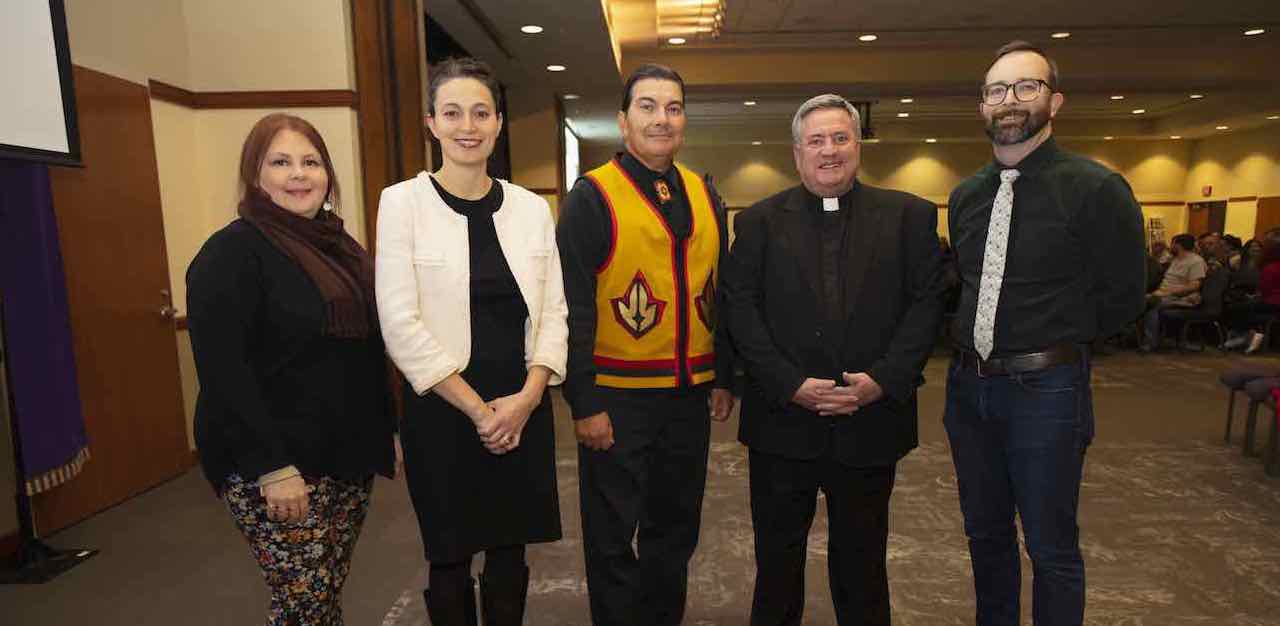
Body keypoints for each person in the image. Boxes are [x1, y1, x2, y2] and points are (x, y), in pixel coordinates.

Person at [722, 94, 945, 626]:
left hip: (869, 421)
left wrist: (883, 381)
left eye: (840, 138)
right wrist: (789, 383)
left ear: (858, 146)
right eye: (816, 141)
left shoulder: (909, 216)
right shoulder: (757, 222)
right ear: (796, 153)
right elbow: (740, 311)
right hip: (782, 423)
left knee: (864, 565)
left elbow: (927, 305)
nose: (829, 151)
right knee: (776, 563)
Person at [945, 41, 1145, 626]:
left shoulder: (1095, 189)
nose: (1009, 101)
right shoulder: (966, 196)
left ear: (1054, 100)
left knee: (1051, 546)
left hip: (1048, 390)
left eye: (1025, 87)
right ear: (983, 106)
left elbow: (1125, 296)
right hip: (968, 389)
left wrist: (1056, 343)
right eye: (996, 91)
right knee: (985, 537)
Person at [375, 57, 567, 626]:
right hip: (444, 412)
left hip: (521, 407)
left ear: (498, 123)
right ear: (431, 123)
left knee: (510, 551)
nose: (468, 125)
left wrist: (527, 399)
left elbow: (554, 313)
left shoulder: (532, 209)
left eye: (481, 112)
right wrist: (481, 412)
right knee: (450, 556)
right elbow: (399, 322)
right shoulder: (402, 203)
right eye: (453, 112)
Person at [187, 113, 398, 626]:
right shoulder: (233, 251)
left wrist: (384, 428)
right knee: (303, 602)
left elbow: (365, 352)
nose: (298, 174)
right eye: (280, 162)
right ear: (255, 176)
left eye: (311, 162)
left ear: (328, 175)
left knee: (322, 595)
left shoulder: (344, 250)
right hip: (276, 464)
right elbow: (224, 373)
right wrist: (272, 467)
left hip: (344, 456)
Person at [555, 63, 736, 626]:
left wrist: (725, 375)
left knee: (675, 530)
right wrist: (583, 403)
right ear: (623, 120)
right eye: (649, 106)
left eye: (674, 108)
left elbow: (722, 291)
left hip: (689, 397)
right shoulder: (591, 197)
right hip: (617, 397)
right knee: (612, 536)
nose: (663, 118)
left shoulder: (705, 192)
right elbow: (572, 308)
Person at [1141, 233, 1207, 351]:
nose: (1169, 246)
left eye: (1172, 243)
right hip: (1163, 294)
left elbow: (1194, 285)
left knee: (1151, 304)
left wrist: (1169, 292)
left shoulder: (1196, 261)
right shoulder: (1175, 259)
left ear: (1178, 245)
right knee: (1139, 300)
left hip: (1182, 297)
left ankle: (1150, 342)